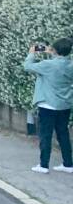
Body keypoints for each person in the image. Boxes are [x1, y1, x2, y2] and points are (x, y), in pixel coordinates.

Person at [23, 39, 73, 174]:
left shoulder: (48, 65)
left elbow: (27, 66)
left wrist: (32, 52)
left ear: (55, 50)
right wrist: (53, 52)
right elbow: (60, 62)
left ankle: (43, 165)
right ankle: (68, 164)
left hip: (47, 105)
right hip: (64, 105)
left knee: (45, 135)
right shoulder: (70, 65)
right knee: (63, 134)